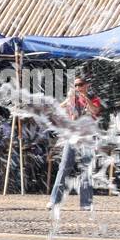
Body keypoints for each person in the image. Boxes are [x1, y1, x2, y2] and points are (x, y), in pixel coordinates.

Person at [48, 75, 102, 212]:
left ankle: (86, 204)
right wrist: (67, 101)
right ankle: (54, 201)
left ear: (86, 85)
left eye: (80, 84)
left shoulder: (94, 98)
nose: (77, 87)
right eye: (76, 85)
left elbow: (95, 111)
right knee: (64, 167)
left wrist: (85, 98)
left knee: (86, 169)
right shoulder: (72, 99)